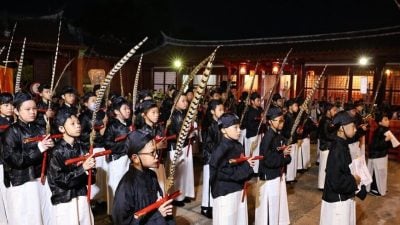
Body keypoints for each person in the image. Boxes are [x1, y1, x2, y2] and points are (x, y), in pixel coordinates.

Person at [3, 91, 55, 225]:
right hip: (22, 182)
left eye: (34, 108)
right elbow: (14, 160)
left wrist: (51, 148)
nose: (32, 112)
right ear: (16, 111)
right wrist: (39, 149)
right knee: (26, 217)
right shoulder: (11, 132)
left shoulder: (41, 128)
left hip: (42, 179)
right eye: (27, 109)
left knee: (44, 214)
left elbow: (50, 156)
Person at [113, 130, 174, 225]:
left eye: (156, 151)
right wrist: (158, 215)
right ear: (135, 158)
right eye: (152, 152)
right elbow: (122, 222)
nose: (156, 155)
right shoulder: (126, 187)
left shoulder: (152, 175)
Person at [47, 110, 95, 225]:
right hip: (65, 198)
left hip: (81, 194)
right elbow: (59, 180)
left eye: (78, 123)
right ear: (62, 129)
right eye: (72, 124)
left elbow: (91, 178)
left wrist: (91, 169)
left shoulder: (82, 147)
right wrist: (82, 168)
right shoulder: (56, 152)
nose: (78, 126)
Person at [209, 113, 255, 225]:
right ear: (224, 130)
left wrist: (246, 167)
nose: (239, 130)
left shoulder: (237, 144)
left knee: (239, 220)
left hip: (238, 190)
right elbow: (225, 173)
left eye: (239, 127)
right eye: (235, 127)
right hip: (226, 194)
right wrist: (246, 166)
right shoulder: (220, 150)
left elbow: (243, 169)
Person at [320, 111, 360, 225]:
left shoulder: (342, 144)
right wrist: (354, 180)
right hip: (338, 202)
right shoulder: (337, 149)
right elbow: (335, 181)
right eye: (352, 126)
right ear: (341, 128)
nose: (355, 129)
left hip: (343, 196)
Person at [255, 107, 291, 225]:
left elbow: (285, 155)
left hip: (277, 174)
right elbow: (267, 160)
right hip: (269, 177)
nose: (281, 123)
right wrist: (283, 157)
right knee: (270, 206)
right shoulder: (268, 138)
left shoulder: (278, 135)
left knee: (277, 204)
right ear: (270, 122)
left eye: (282, 120)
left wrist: (286, 155)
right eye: (278, 120)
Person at [103, 96, 131, 214]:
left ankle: (126, 209)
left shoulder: (128, 123)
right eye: (125, 109)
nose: (128, 110)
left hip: (128, 160)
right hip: (117, 161)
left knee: (127, 186)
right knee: (116, 186)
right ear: (116, 112)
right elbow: (107, 144)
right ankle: (116, 212)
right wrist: (125, 144)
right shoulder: (112, 126)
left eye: (128, 108)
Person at [167, 93, 195, 206]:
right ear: (175, 102)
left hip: (184, 145)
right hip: (175, 147)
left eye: (186, 101)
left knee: (185, 172)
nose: (186, 103)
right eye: (182, 101)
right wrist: (187, 133)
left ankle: (182, 194)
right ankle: (175, 197)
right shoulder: (173, 115)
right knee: (177, 173)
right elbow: (176, 132)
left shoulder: (183, 114)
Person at [201, 99, 224, 218]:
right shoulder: (208, 125)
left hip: (217, 156)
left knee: (214, 181)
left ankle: (213, 204)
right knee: (208, 183)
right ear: (212, 111)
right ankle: (206, 207)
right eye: (220, 109)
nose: (222, 111)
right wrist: (221, 147)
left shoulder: (220, 123)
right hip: (210, 158)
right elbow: (208, 144)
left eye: (223, 109)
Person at [367, 111, 392, 196]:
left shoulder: (385, 129)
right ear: (380, 122)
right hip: (376, 156)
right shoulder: (379, 130)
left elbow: (389, 145)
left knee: (382, 173)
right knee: (377, 173)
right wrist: (385, 140)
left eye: (388, 119)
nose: (388, 121)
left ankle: (381, 188)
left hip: (382, 155)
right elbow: (374, 145)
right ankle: (375, 189)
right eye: (385, 120)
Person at [0, 92, 14, 224]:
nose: (10, 107)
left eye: (11, 104)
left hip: (13, 162)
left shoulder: (15, 120)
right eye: (6, 105)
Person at [317, 103, 338, 190]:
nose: (335, 112)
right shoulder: (325, 121)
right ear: (328, 111)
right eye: (334, 110)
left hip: (329, 146)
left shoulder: (329, 120)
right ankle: (321, 185)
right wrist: (337, 137)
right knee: (323, 167)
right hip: (325, 146)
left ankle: (325, 184)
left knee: (327, 167)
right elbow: (326, 135)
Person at [244, 92, 263, 174]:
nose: (259, 102)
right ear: (252, 101)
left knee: (257, 153)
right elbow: (249, 124)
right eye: (257, 100)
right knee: (251, 152)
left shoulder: (260, 110)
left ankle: (256, 170)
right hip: (252, 135)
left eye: (260, 100)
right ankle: (250, 170)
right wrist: (259, 121)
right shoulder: (249, 111)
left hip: (258, 134)